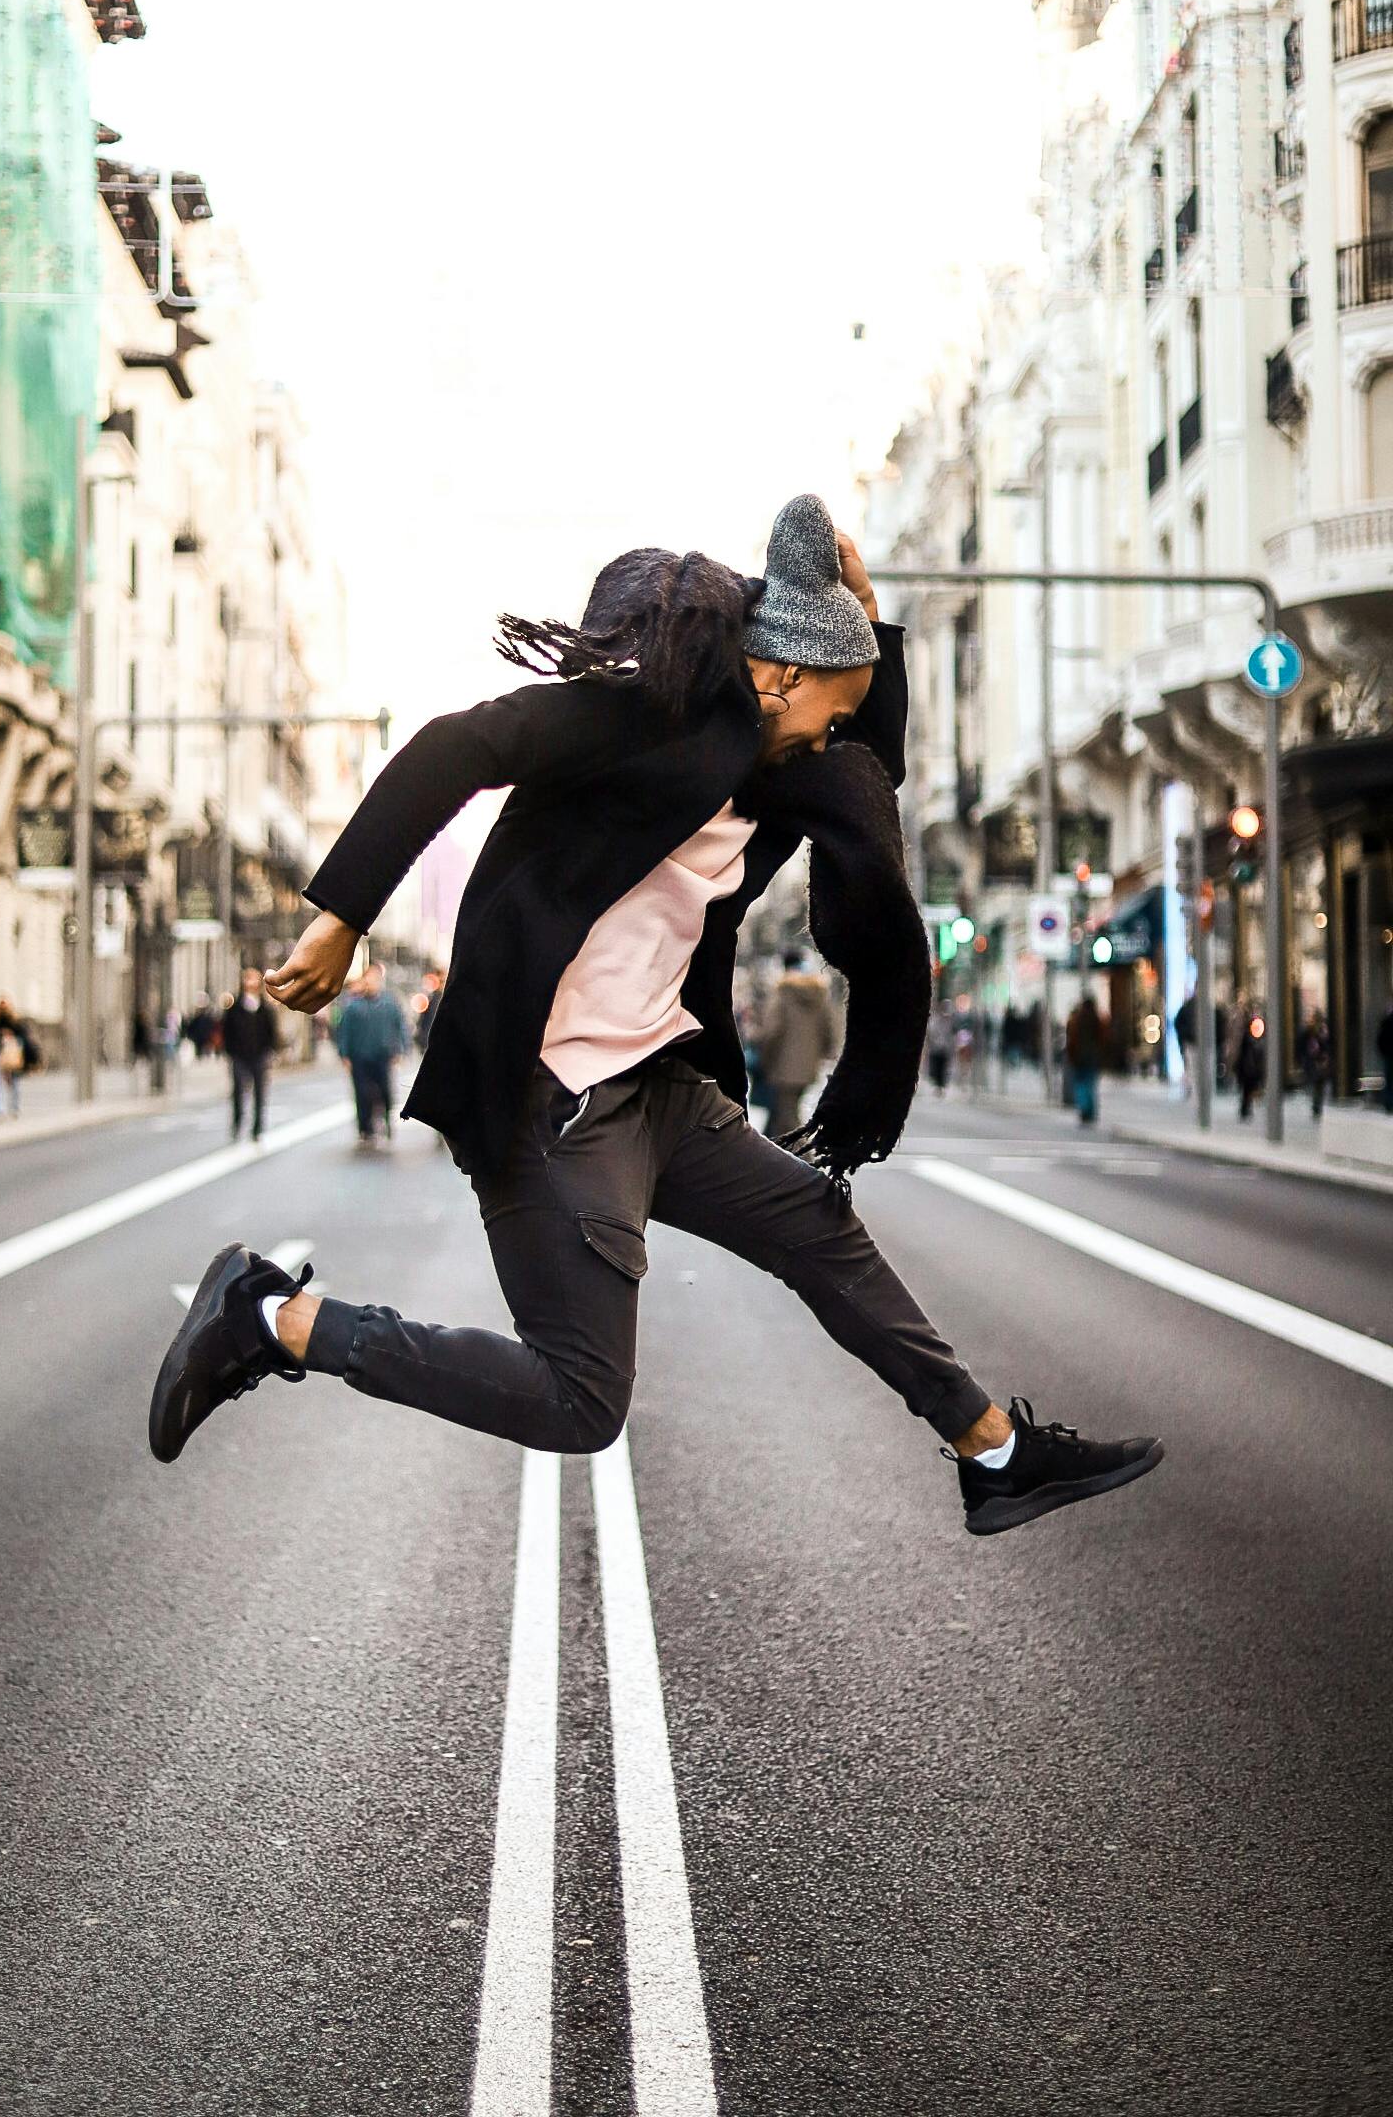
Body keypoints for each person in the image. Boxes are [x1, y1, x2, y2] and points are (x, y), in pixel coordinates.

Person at [150, 494, 1163, 1537]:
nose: (833, 739)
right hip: (553, 1095)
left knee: (819, 1228)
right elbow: (457, 747)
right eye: (829, 712)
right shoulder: (642, 722)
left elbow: (873, 764)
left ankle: (992, 1452)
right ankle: (269, 1318)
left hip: (661, 1087)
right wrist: (340, 916)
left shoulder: (778, 775)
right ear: (779, 678)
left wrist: (869, 617)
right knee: (578, 1402)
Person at [753, 951, 841, 1139]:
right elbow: (829, 1030)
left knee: (788, 1117)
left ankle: (806, 1160)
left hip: (782, 1066)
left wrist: (764, 1057)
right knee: (782, 1115)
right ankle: (776, 1157)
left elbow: (773, 1031)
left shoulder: (783, 992)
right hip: (808, 1066)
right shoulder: (819, 993)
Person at [333, 962, 411, 1143]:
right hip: (359, 1057)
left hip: (382, 1056)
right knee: (362, 1093)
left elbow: (400, 1027)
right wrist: (344, 1054)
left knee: (385, 1091)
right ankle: (364, 1128)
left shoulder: (389, 1004)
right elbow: (344, 1031)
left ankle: (387, 1121)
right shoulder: (353, 1007)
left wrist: (402, 1050)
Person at [223, 967, 277, 1142]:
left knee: (260, 1093)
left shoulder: (265, 1009)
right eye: (248, 979)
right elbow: (227, 1031)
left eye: (255, 979)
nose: (251, 983)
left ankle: (257, 1128)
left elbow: (271, 1032)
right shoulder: (234, 1008)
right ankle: (238, 1123)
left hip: (260, 1056)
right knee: (238, 1091)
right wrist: (231, 1052)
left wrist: (269, 1051)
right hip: (239, 1056)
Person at [1065, 991, 1109, 1126]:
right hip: (1093, 1057)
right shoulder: (1098, 1020)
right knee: (1090, 1084)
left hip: (1080, 1057)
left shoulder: (1076, 1020)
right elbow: (1103, 1039)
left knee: (1081, 1085)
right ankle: (1090, 1110)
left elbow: (1071, 1040)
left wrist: (1071, 1055)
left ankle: (1084, 1109)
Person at [1232, 1004, 1266, 1122]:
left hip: (1252, 1067)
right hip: (1247, 1068)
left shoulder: (1256, 1036)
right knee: (1247, 1090)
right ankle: (1245, 1110)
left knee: (1249, 1089)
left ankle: (1246, 1109)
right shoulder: (1247, 1036)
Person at [1296, 1008, 1331, 1122]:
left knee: (1319, 1085)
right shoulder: (1308, 1032)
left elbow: (1326, 1046)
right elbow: (1301, 1047)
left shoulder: (1322, 1032)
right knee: (1317, 1084)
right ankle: (1316, 1105)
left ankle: (1317, 1105)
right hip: (1312, 1062)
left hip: (1319, 1061)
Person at [925, 1001, 954, 1096]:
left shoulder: (950, 1021)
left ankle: (941, 1086)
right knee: (936, 1066)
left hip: (945, 1048)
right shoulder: (935, 1019)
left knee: (943, 1067)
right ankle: (938, 1086)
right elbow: (931, 1032)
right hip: (936, 1047)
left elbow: (951, 1035)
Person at [1378, 998, 1393, 1115]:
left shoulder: (1386, 1021)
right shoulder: (1387, 1021)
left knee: (1388, 1080)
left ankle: (1388, 1104)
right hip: (1388, 1055)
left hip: (1388, 1055)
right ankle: (1388, 1103)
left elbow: (1380, 1039)